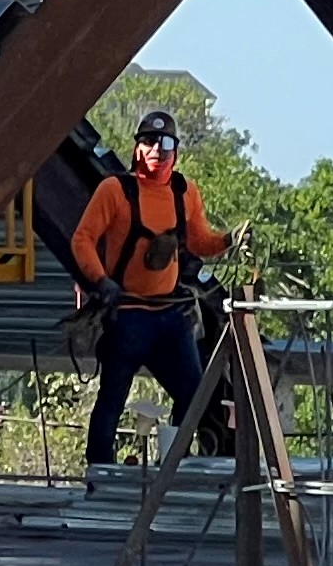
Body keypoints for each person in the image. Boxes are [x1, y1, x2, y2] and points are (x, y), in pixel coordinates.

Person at [68, 108, 228, 466]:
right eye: (149, 141)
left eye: (167, 142)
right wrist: (102, 281)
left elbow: (200, 241)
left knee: (193, 394)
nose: (158, 148)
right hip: (128, 316)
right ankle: (100, 478)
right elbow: (83, 239)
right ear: (138, 148)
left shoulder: (185, 192)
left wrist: (228, 241)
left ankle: (172, 467)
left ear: (177, 151)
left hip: (170, 316)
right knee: (112, 398)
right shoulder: (116, 190)